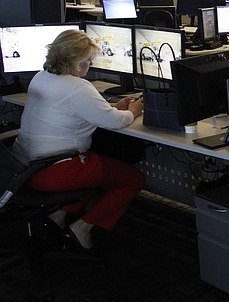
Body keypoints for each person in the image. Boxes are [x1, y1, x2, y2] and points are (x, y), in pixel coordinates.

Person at [11, 30, 145, 251]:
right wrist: (134, 110)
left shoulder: (41, 77)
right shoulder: (77, 86)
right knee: (133, 179)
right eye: (87, 60)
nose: (90, 64)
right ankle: (82, 227)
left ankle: (58, 217)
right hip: (56, 171)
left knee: (94, 167)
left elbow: (71, 108)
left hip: (25, 167)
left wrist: (112, 107)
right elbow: (115, 123)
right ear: (72, 61)